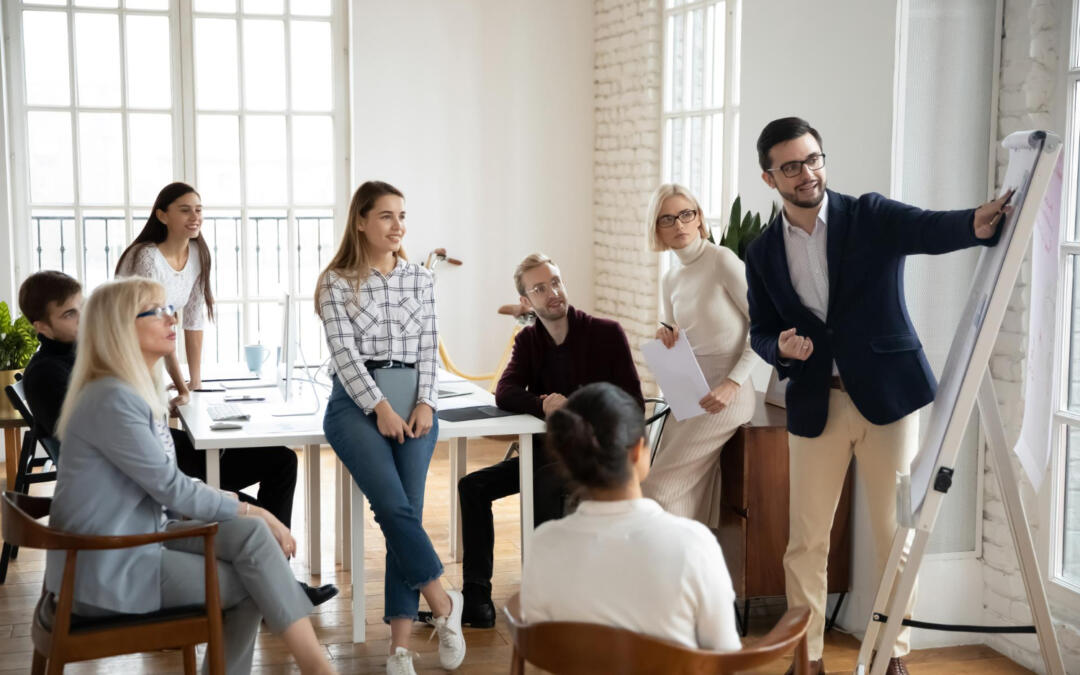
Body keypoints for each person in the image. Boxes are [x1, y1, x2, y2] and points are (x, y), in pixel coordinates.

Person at [744, 117, 1013, 675]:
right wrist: (782, 348)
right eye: (790, 166)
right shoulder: (762, 251)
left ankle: (893, 654)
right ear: (770, 178)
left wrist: (975, 222)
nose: (806, 173)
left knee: (895, 535)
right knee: (806, 541)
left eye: (813, 158)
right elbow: (761, 330)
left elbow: (927, 229)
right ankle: (807, 656)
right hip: (817, 405)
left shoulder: (868, 215)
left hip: (887, 400)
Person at [44, 277, 335, 675]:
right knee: (255, 578)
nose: (172, 319)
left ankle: (315, 665)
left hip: (136, 543)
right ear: (120, 327)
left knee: (252, 543)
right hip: (105, 570)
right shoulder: (112, 399)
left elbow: (170, 484)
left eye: (170, 309)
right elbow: (172, 489)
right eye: (156, 311)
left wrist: (252, 517)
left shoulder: (127, 390)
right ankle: (317, 666)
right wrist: (256, 512)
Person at [316, 181, 464, 675]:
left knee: (409, 512)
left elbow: (428, 349)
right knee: (393, 506)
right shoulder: (335, 281)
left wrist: (426, 402)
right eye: (385, 216)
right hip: (354, 406)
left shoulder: (421, 281)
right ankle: (443, 604)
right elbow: (344, 355)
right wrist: (379, 407)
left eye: (402, 215)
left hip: (413, 401)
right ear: (361, 221)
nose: (398, 225)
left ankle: (399, 648)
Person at [457, 253, 645, 628]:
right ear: (527, 301)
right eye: (540, 288)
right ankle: (476, 597)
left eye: (555, 282)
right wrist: (543, 402)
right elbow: (505, 391)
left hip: (596, 457)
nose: (553, 292)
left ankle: (546, 595)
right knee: (473, 486)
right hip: (545, 452)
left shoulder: (606, 333)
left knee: (543, 484)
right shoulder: (529, 341)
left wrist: (578, 412)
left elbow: (634, 404)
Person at [520, 382, 741, 651]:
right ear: (638, 451)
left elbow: (542, 647)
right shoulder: (694, 544)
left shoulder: (544, 544)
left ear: (568, 462)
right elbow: (725, 653)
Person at [642, 184, 761, 527]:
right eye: (667, 219)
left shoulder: (722, 260)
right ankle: (679, 576)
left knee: (658, 487)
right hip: (687, 390)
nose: (678, 225)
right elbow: (675, 329)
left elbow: (763, 326)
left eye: (686, 214)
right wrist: (667, 335)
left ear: (699, 220)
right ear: (658, 229)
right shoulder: (670, 278)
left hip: (726, 394)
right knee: (687, 493)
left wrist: (732, 384)